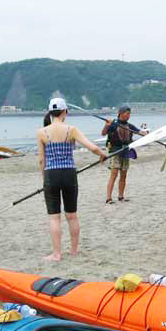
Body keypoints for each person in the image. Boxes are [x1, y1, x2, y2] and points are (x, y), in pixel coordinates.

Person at [38, 98, 107, 261]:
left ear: (49, 112)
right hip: (69, 173)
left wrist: (44, 178)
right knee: (72, 215)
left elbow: (42, 160)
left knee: (54, 217)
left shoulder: (42, 132)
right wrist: (102, 155)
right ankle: (74, 251)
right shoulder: (71, 129)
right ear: (65, 112)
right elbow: (93, 147)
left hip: (51, 175)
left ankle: (56, 254)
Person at [101, 106, 145, 203]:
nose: (129, 116)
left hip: (126, 151)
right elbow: (103, 133)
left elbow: (140, 132)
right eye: (127, 113)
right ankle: (108, 198)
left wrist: (147, 134)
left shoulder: (130, 126)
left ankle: (121, 196)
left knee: (123, 175)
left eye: (129, 114)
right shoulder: (113, 124)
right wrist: (107, 125)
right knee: (114, 174)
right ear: (121, 113)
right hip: (115, 151)